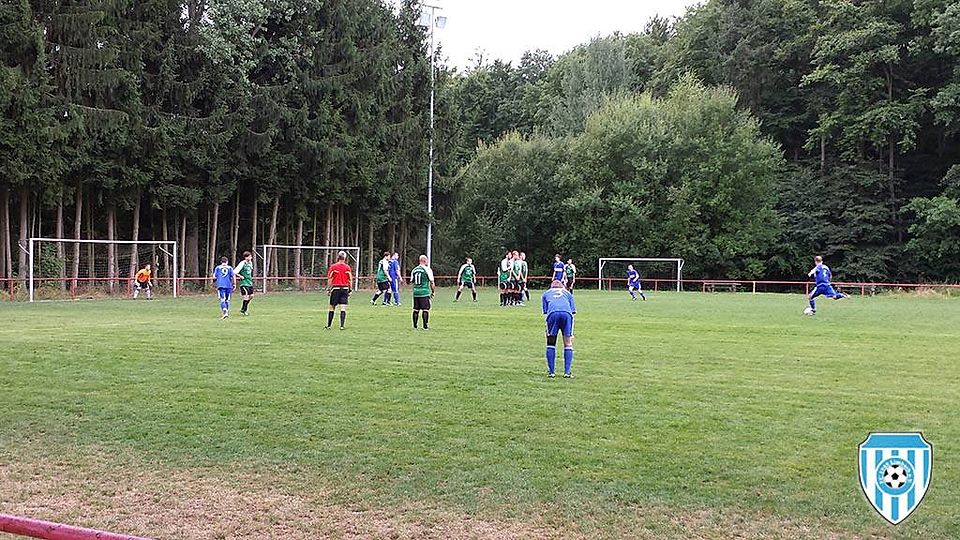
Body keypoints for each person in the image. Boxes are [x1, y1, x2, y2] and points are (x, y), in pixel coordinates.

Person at [542, 279, 576, 378]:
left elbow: (546, 312)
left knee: (551, 342)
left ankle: (551, 372)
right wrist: (571, 332)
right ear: (562, 286)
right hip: (567, 314)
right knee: (568, 343)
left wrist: (547, 330)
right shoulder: (567, 293)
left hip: (553, 314)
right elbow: (572, 312)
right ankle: (567, 372)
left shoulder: (546, 293)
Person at [326, 251, 353, 330]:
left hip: (336, 288)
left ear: (338, 257)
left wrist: (328, 289)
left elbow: (330, 279)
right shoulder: (347, 267)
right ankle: (342, 326)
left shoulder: (333, 267)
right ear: (345, 258)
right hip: (345, 289)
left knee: (332, 307)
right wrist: (350, 289)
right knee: (343, 307)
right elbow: (350, 279)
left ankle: (329, 326)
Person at [411, 254, 436, 330]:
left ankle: (415, 326)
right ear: (425, 261)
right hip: (424, 292)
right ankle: (425, 326)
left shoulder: (414, 270)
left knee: (416, 309)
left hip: (416, 292)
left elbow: (412, 281)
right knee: (425, 309)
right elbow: (432, 282)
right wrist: (433, 291)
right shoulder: (427, 269)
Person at [234, 251, 255, 315]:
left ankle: (243, 308)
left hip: (249, 282)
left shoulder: (250, 263)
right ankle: (244, 310)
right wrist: (240, 276)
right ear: (246, 257)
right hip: (244, 283)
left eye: (251, 256)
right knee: (246, 296)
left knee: (251, 296)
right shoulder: (242, 263)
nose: (251, 258)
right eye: (249, 256)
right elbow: (234, 272)